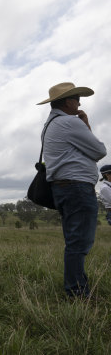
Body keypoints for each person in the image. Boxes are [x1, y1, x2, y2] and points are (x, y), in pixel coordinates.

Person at [38, 82, 106, 298]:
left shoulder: (50, 125)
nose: (79, 103)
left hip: (63, 188)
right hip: (77, 188)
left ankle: (76, 286)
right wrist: (86, 124)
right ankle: (77, 291)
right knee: (79, 242)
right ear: (68, 102)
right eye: (78, 99)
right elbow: (99, 150)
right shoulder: (69, 122)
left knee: (74, 240)